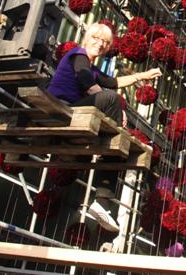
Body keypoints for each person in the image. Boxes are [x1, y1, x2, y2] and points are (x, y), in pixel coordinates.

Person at [47, 22, 162, 232]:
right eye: (96, 38)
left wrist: (142, 76)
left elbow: (113, 81)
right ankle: (102, 196)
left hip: (74, 112)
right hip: (62, 110)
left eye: (105, 42)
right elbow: (85, 79)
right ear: (86, 38)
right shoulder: (78, 55)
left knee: (113, 126)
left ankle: (103, 200)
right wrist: (114, 105)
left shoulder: (91, 68)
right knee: (112, 101)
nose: (100, 44)